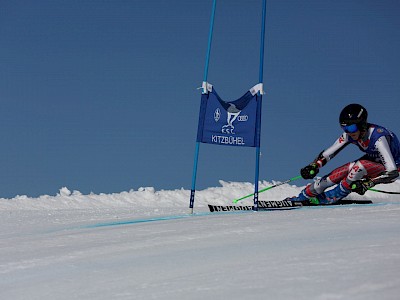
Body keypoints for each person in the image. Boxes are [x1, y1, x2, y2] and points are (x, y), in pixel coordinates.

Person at [290, 103, 400, 205]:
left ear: (361, 125)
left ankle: (332, 197)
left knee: (359, 167)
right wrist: (314, 165)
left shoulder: (379, 138)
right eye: (344, 128)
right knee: (343, 171)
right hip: (373, 163)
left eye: (351, 128)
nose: (348, 132)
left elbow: (392, 172)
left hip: (391, 168)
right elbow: (329, 153)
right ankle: (302, 197)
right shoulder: (350, 134)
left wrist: (369, 183)